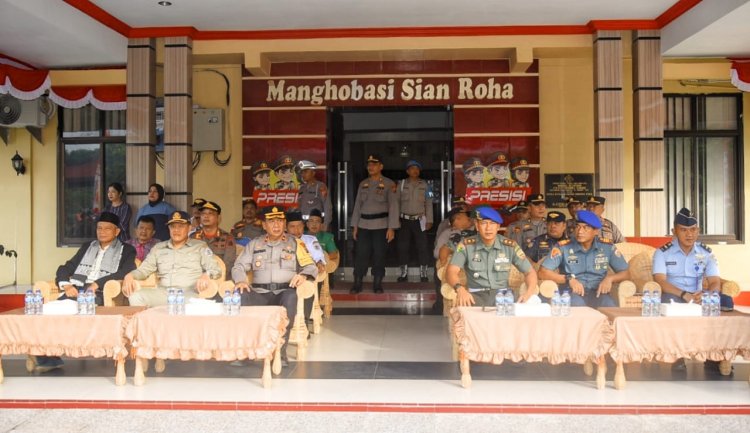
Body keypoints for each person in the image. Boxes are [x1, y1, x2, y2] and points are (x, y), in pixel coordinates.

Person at [36, 212, 137, 372]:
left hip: (100, 293)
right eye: (99, 228)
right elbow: (65, 267)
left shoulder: (127, 249)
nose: (102, 232)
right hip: (76, 290)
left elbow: (127, 270)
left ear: (117, 231)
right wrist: (66, 286)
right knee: (43, 312)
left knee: (65, 311)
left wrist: (97, 284)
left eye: (107, 229)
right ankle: (49, 359)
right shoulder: (87, 247)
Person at [231, 206, 318, 365]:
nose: (276, 225)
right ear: (264, 225)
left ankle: (280, 351)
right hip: (259, 292)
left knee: (291, 296)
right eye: (271, 221)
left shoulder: (295, 243)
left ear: (284, 224)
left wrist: (303, 275)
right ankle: (245, 351)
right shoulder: (254, 244)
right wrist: (241, 280)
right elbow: (239, 266)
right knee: (241, 295)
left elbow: (311, 266)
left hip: (284, 292)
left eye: (280, 221)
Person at [652, 207, 727, 372]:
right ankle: (677, 356)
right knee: (669, 304)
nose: (689, 234)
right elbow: (660, 281)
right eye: (683, 230)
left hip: (699, 295)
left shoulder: (706, 253)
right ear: (674, 231)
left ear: (698, 231)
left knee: (724, 302)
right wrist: (684, 294)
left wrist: (707, 295)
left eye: (693, 230)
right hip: (674, 295)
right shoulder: (662, 252)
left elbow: (715, 280)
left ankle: (713, 355)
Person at [122, 211, 221, 307]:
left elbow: (215, 269)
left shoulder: (199, 246)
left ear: (189, 228)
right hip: (163, 293)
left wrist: (206, 275)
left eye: (180, 226)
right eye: (173, 226)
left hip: (188, 294)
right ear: (169, 228)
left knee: (195, 304)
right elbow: (144, 269)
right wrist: (130, 276)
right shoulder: (158, 248)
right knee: (136, 296)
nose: (176, 230)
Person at [445, 207, 538, 308]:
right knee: (463, 310)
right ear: (477, 226)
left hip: (504, 295)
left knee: (532, 304)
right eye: (484, 223)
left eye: (492, 224)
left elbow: (530, 272)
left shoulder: (510, 246)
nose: (488, 228)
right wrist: (460, 289)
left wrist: (528, 293)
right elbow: (451, 271)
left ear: (498, 227)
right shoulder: (466, 245)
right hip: (476, 296)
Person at [539, 210, 629, 308]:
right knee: (578, 307)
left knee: (609, 306)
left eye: (586, 227)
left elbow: (626, 273)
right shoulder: (563, 247)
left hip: (598, 293)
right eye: (578, 226)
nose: (580, 231)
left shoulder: (607, 247)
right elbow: (542, 272)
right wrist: (568, 279)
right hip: (572, 293)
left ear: (596, 231)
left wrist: (610, 279)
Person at [350, 154, 399, 294]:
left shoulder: (389, 184)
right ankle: (357, 282)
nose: (370, 167)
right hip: (363, 225)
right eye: (369, 165)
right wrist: (355, 226)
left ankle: (377, 283)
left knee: (379, 254)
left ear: (381, 166)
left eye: (374, 164)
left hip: (381, 225)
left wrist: (392, 228)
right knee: (361, 254)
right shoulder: (363, 184)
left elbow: (393, 207)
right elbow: (357, 206)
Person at [286, 209, 326, 327]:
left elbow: (319, 257)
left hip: (305, 274)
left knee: (309, 282)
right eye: (292, 226)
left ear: (304, 226)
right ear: (286, 228)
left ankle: (304, 320)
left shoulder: (310, 240)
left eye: (299, 226)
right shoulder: (282, 241)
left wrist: (319, 262)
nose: (296, 230)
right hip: (287, 275)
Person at [396, 160, 433, 283]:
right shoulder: (401, 184)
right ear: (407, 171)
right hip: (404, 220)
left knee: (422, 246)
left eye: (417, 169)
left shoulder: (425, 185)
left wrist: (429, 220)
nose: (415, 171)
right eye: (412, 168)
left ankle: (423, 273)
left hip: (420, 220)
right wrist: (396, 220)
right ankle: (403, 273)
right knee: (403, 247)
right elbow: (396, 203)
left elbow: (429, 203)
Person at [190, 201, 237, 270]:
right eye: (203, 213)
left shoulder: (227, 238)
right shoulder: (193, 238)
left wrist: (213, 275)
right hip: (197, 275)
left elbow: (228, 264)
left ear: (218, 218)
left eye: (210, 213)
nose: (206, 216)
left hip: (220, 275)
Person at [296, 160, 333, 231]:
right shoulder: (302, 188)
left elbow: (327, 206)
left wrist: (325, 224)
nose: (303, 174)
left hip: (317, 225)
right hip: (304, 226)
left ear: (313, 173)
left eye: (306, 171)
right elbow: (300, 208)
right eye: (302, 172)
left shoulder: (320, 186)